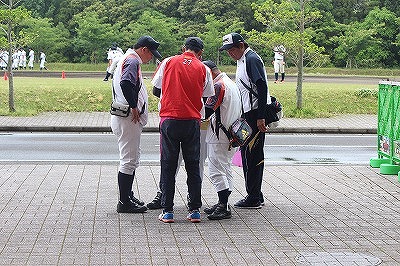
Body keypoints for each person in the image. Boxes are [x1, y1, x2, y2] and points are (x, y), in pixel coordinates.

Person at [152, 37, 214, 223]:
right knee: (193, 165)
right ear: (200, 52)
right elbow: (207, 95)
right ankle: (195, 209)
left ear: (183, 48)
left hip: (169, 118)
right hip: (192, 120)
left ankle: (167, 210)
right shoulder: (204, 68)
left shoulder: (168, 61)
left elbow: (156, 88)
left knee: (168, 164)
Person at [219, 32, 271, 209]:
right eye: (227, 51)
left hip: (256, 113)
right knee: (247, 154)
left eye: (232, 49)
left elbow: (262, 86)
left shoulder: (251, 59)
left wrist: (261, 116)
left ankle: (254, 197)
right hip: (248, 113)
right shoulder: (242, 60)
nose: (230, 53)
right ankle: (256, 193)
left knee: (253, 155)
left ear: (241, 45)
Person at [110, 35, 162, 213]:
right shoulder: (133, 61)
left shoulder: (127, 59)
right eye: (151, 54)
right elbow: (126, 82)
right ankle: (124, 202)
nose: (151, 58)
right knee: (128, 159)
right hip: (127, 117)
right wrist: (134, 106)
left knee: (131, 158)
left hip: (124, 117)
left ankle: (128, 195)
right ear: (144, 49)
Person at [202, 60, 242, 220]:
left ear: (209, 73)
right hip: (232, 135)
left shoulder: (218, 86)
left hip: (220, 135)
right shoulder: (230, 83)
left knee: (216, 171)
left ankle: (223, 206)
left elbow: (207, 110)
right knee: (225, 169)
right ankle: (222, 203)